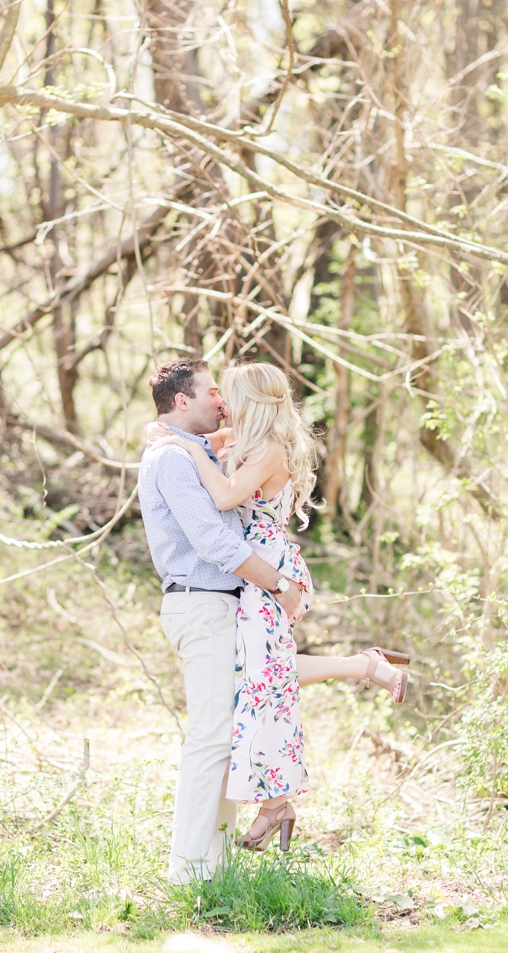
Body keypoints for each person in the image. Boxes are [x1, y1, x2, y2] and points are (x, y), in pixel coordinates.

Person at [151, 362, 408, 852]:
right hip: (261, 570)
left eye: (226, 394)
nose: (221, 402)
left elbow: (225, 496)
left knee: (266, 677)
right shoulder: (250, 438)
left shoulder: (268, 449)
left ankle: (364, 669)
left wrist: (182, 447)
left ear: (248, 399)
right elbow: (209, 440)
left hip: (268, 570)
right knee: (262, 676)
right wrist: (172, 434)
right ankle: (277, 804)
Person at [137, 358, 301, 884]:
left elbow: (237, 445)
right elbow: (214, 542)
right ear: (183, 402)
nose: (220, 400)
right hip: (202, 600)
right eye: (211, 392)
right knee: (210, 738)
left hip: (224, 601)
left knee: (227, 737)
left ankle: (216, 865)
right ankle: (188, 872)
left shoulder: (200, 450)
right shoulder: (171, 459)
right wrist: (277, 582)